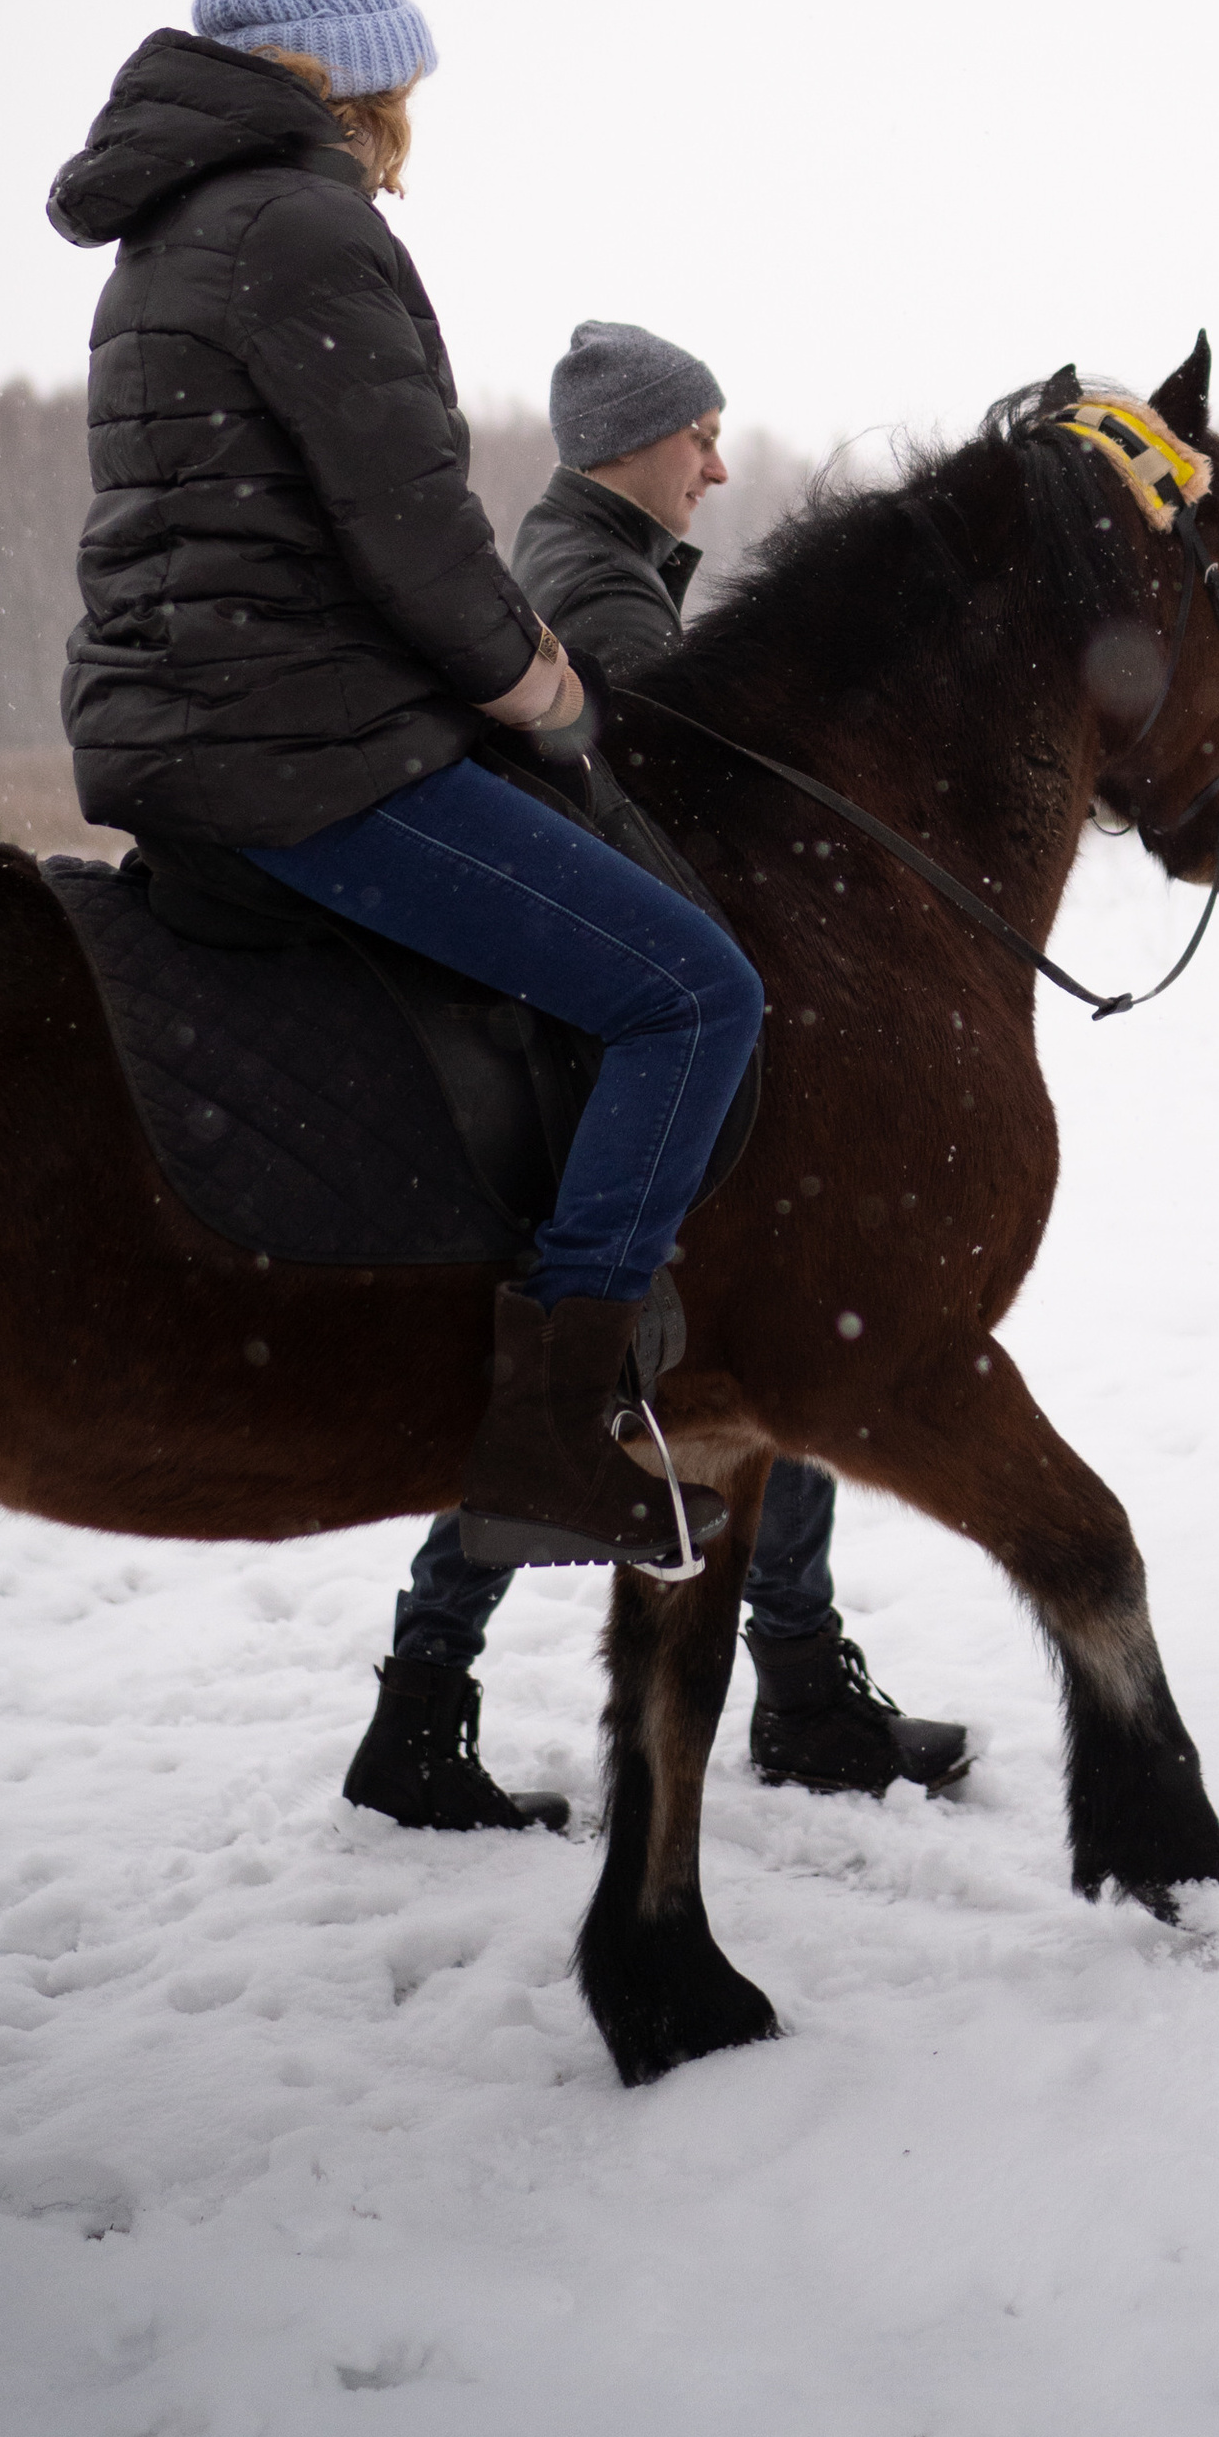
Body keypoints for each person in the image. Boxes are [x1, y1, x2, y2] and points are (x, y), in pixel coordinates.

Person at [49, 0, 767, 1638]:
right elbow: (409, 523)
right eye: (404, 90)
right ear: (346, 79)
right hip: (300, 745)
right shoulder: (303, 223)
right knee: (694, 989)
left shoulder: (172, 233)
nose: (407, 126)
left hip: (194, 725)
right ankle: (559, 1420)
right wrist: (542, 684)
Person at [337, 318, 972, 1833]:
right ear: (636, 439)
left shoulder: (609, 574)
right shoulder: (599, 596)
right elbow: (667, 824)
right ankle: (777, 1690)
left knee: (669, 1365)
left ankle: (451, 1702)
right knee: (699, 1357)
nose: (720, 462)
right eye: (702, 433)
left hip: (594, 1025)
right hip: (603, 1037)